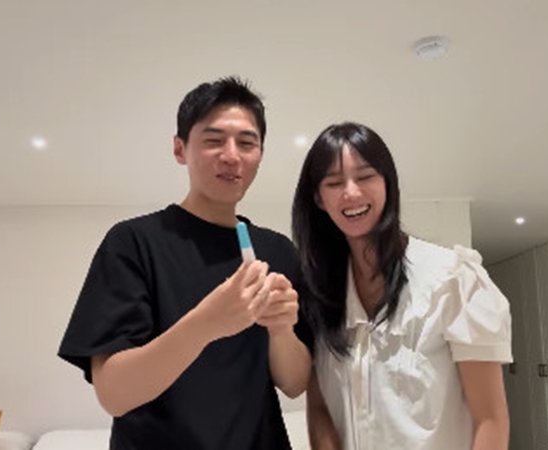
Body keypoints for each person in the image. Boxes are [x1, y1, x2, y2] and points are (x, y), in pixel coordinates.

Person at [58, 76, 313, 450]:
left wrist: (281, 330)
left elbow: (294, 383)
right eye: (213, 140)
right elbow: (114, 394)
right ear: (180, 149)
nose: (232, 155)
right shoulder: (132, 242)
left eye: (247, 143)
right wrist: (208, 322)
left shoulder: (277, 250)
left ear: (260, 153)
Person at [291, 122, 512, 450]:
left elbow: (490, 419)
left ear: (387, 182)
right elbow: (320, 407)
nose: (351, 192)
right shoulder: (320, 293)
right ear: (319, 199)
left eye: (365, 176)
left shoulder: (453, 279)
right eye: (334, 183)